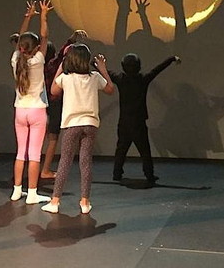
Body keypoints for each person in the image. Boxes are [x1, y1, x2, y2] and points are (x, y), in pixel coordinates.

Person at [41, 44, 114, 214]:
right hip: (90, 124)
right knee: (85, 162)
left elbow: (53, 90)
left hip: (71, 124)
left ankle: (55, 201)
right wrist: (103, 69)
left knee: (65, 161)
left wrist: (61, 65)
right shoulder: (94, 77)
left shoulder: (66, 78)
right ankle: (85, 202)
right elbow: (110, 89)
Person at [109, 53, 181, 184]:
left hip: (124, 121)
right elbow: (157, 70)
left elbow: (106, 73)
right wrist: (171, 59)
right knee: (144, 151)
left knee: (121, 149)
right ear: (139, 66)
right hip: (138, 122)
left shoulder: (120, 79)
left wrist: (94, 63)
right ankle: (149, 175)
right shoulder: (143, 80)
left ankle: (117, 173)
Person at [10, 0, 53, 204]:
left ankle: (17, 190)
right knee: (34, 153)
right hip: (36, 111)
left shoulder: (16, 60)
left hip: (20, 110)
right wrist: (43, 15)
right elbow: (45, 36)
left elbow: (20, 40)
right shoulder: (38, 61)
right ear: (36, 48)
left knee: (21, 152)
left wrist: (28, 17)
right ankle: (33, 193)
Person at [41, 29, 88, 179]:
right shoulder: (53, 64)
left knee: (39, 139)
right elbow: (63, 54)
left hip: (40, 103)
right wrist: (73, 38)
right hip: (55, 104)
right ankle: (45, 170)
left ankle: (36, 169)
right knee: (53, 139)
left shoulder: (36, 66)